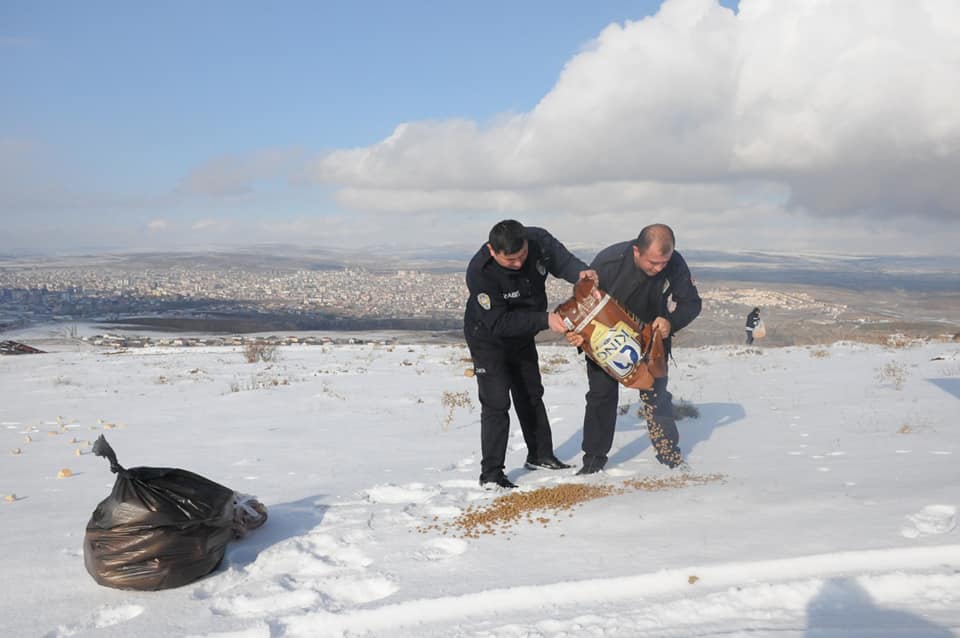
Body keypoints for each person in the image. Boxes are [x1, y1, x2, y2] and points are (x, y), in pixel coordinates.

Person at [464, 220, 598, 489]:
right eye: (510, 260)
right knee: (496, 402)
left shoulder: (537, 239)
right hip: (488, 338)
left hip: (523, 333)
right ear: (492, 251)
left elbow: (562, 261)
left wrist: (581, 274)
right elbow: (499, 322)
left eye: (522, 255)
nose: (518, 263)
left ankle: (540, 454)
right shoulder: (480, 271)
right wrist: (545, 319)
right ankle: (491, 474)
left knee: (530, 392)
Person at [568, 224, 701, 474]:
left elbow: (692, 303)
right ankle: (594, 460)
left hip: (653, 338)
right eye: (653, 263)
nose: (659, 268)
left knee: (656, 395)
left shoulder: (675, 263)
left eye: (664, 262)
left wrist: (671, 322)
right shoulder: (608, 263)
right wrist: (577, 335)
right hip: (607, 339)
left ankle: (668, 453)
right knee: (601, 396)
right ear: (636, 251)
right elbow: (582, 304)